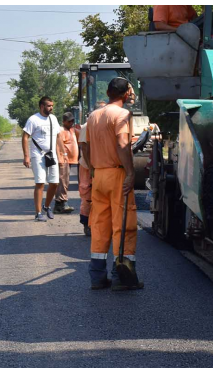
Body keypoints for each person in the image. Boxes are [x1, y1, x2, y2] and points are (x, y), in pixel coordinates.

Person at [82, 77, 143, 291]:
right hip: (117, 175)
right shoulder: (122, 114)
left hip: (99, 175)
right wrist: (130, 172)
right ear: (126, 93)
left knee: (99, 225)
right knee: (123, 225)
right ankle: (122, 277)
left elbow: (85, 146)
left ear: (108, 93)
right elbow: (122, 143)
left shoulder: (93, 115)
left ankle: (97, 278)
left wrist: (92, 170)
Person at [22, 96, 61, 222]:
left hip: (51, 154)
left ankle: (47, 206)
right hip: (37, 155)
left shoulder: (53, 119)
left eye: (52, 105)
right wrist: (26, 156)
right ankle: (38, 213)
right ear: (42, 106)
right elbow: (25, 137)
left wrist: (62, 154)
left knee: (54, 183)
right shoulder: (33, 120)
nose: (51, 108)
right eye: (49, 106)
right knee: (40, 183)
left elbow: (58, 136)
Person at [54, 111, 78, 214]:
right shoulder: (61, 130)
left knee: (65, 181)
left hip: (70, 160)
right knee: (63, 182)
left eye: (72, 121)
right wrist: (61, 159)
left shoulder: (71, 130)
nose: (71, 123)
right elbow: (59, 146)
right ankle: (62, 203)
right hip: (64, 160)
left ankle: (59, 204)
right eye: (69, 121)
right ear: (64, 121)